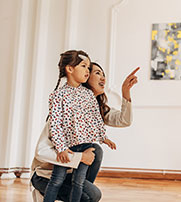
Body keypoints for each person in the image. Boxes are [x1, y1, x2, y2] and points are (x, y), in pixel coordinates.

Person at [31, 53, 139, 201]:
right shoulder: (64, 107)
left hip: (71, 170)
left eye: (103, 74)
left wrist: (125, 92)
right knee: (91, 195)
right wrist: (80, 157)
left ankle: (78, 189)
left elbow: (123, 120)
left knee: (96, 151)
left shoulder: (95, 107)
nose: (103, 78)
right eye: (97, 72)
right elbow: (41, 152)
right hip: (45, 175)